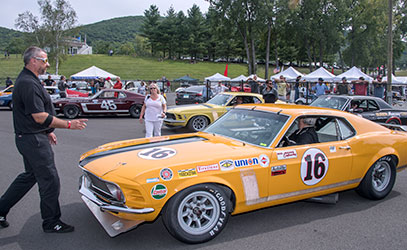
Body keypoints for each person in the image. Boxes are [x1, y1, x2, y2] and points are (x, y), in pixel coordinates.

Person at [0, 46, 88, 232]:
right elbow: (38, 116)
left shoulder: (29, 80)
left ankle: (0, 210)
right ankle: (51, 222)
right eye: (44, 60)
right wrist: (69, 124)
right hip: (33, 141)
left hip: (31, 137)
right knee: (50, 180)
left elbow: (33, 114)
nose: (47, 64)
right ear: (33, 61)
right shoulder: (28, 83)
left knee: (30, 176)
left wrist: (48, 130)